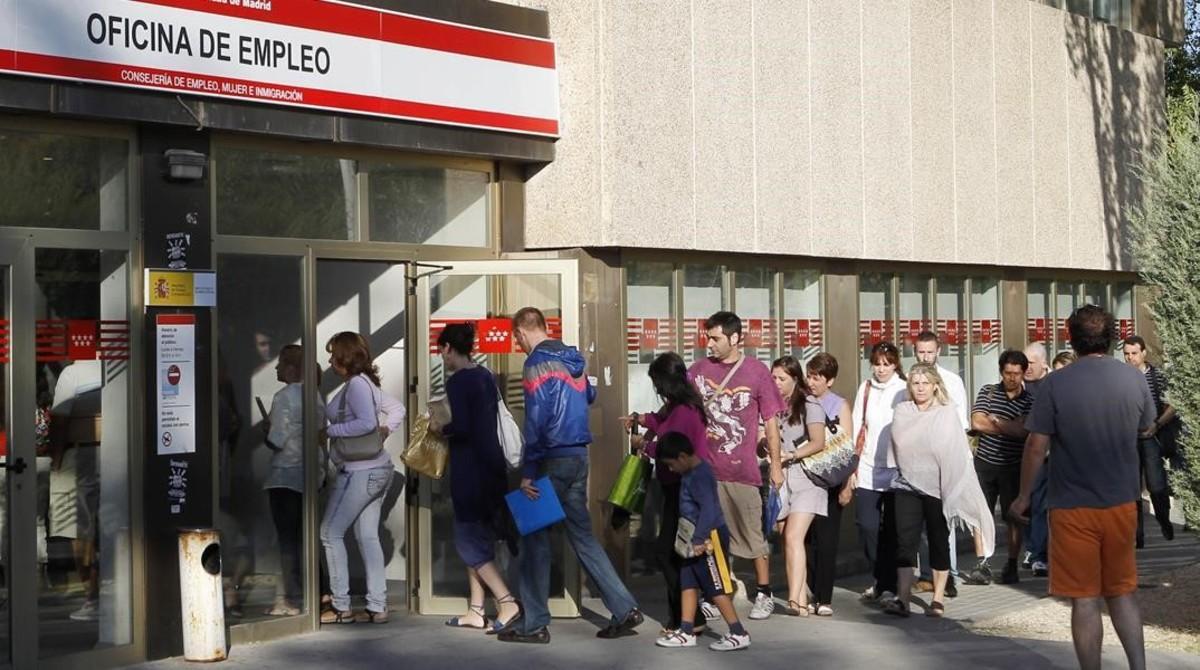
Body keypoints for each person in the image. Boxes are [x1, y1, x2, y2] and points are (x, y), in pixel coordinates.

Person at [1011, 305, 1155, 670]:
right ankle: (1138, 666)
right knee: (1122, 592)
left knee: (1085, 599)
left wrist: (1025, 496)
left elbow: (1036, 445)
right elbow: (1146, 426)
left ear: (1070, 338)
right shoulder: (1134, 378)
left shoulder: (1057, 383)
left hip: (1071, 505)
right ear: (1111, 338)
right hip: (1121, 501)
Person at [500, 307, 642, 644]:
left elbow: (536, 420)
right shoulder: (574, 358)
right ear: (546, 327)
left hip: (552, 457)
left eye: (516, 338)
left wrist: (529, 472)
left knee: (534, 539)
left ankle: (534, 623)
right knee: (582, 536)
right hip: (579, 456)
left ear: (521, 332)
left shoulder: (536, 363)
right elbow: (589, 395)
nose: (518, 345)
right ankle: (624, 608)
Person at [686, 311, 785, 620]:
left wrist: (777, 465)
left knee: (753, 536)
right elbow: (683, 411)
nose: (709, 344)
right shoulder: (698, 370)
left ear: (735, 338)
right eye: (707, 338)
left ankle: (764, 592)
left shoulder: (756, 372)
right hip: (706, 469)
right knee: (712, 537)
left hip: (743, 471)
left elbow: (771, 423)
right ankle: (718, 593)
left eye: (715, 338)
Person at [882, 363, 995, 618]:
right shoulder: (902, 410)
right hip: (906, 483)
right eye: (915, 383)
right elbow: (901, 445)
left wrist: (950, 488)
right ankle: (903, 598)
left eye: (925, 383)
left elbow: (952, 452)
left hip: (938, 486)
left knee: (938, 541)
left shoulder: (946, 413)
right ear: (909, 386)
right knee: (905, 542)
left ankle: (938, 597)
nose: (920, 388)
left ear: (935, 386)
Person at [434, 324, 522, 634]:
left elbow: (463, 428)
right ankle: (476, 609)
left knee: (468, 541)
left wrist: (440, 429)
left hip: (470, 470)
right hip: (492, 466)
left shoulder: (458, 381)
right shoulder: (484, 376)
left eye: (441, 350)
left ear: (447, 348)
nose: (441, 357)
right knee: (480, 539)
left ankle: (507, 601)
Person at [319, 332, 405, 625]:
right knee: (367, 536)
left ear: (344, 357)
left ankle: (341, 606)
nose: (329, 361)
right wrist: (384, 431)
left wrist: (331, 432)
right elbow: (397, 410)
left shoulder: (356, 385)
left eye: (333, 355)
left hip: (360, 470)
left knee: (330, 533)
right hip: (379, 469)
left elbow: (366, 422)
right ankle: (377, 606)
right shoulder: (366, 383)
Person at [623, 352, 709, 636]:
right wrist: (639, 419)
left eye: (657, 384)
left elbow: (673, 450)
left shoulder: (684, 412)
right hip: (676, 486)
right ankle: (686, 616)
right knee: (674, 553)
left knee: (670, 554)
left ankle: (688, 617)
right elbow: (660, 421)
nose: (657, 390)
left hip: (685, 488)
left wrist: (643, 446)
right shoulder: (678, 406)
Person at [654, 433, 751, 652]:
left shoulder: (700, 475)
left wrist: (699, 538)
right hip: (693, 539)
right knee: (687, 583)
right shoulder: (690, 472)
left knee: (714, 587)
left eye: (671, 465)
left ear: (682, 457)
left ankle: (738, 632)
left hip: (708, 539)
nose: (671, 470)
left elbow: (708, 508)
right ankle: (687, 630)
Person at [260, 345, 322, 617]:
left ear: (292, 369)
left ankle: (290, 598)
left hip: (286, 474)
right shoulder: (315, 397)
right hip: (310, 473)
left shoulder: (284, 397)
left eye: (280, 363)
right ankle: (319, 593)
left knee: (287, 539)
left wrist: (267, 430)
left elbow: (277, 440)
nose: (275, 368)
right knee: (306, 536)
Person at [965, 350, 1033, 586]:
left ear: (1024, 373)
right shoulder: (988, 391)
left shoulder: (1030, 401)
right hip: (984, 463)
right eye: (1007, 373)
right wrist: (1009, 426)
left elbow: (1024, 432)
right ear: (1001, 372)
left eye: (1016, 373)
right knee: (980, 513)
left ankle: (1011, 563)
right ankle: (982, 563)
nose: (1012, 378)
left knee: (1013, 517)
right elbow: (976, 421)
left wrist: (995, 421)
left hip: (1013, 465)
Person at [769, 356, 829, 617]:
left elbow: (818, 441)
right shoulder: (771, 405)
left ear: (795, 379)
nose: (776, 383)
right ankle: (803, 592)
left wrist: (791, 455)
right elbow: (764, 435)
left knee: (794, 536)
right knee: (787, 539)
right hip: (781, 477)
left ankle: (795, 601)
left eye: (781, 379)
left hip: (807, 477)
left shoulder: (809, 404)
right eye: (773, 378)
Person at [851, 341, 907, 604]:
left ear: (895, 363)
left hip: (897, 469)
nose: (881, 369)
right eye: (877, 363)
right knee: (867, 525)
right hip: (867, 466)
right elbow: (856, 426)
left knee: (892, 530)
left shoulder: (904, 388)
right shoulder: (866, 388)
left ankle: (889, 583)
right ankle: (880, 576)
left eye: (887, 363)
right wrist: (851, 466)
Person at [913, 330, 968, 596]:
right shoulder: (911, 381)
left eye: (929, 352)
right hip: (920, 460)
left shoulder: (952, 381)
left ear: (938, 352)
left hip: (947, 457)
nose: (925, 356)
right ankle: (926, 574)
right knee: (924, 520)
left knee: (944, 519)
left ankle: (950, 574)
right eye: (921, 352)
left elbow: (961, 423)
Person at [803, 353, 853, 617]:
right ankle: (809, 590)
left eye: (817, 378)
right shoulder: (802, 401)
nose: (811, 382)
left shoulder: (839, 405)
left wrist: (847, 484)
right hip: (806, 479)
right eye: (809, 376)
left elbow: (846, 450)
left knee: (828, 539)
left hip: (832, 479)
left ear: (830, 380)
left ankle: (824, 597)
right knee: (808, 539)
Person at [1123, 335, 1178, 544]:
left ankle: (1164, 520)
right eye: (1127, 354)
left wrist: (1157, 424)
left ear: (1143, 353)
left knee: (1156, 485)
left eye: (1134, 353)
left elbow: (1172, 405)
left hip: (1151, 436)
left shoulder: (1157, 376)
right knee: (1132, 488)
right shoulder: (1121, 377)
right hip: (1128, 438)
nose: (1130, 358)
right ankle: (1138, 535)